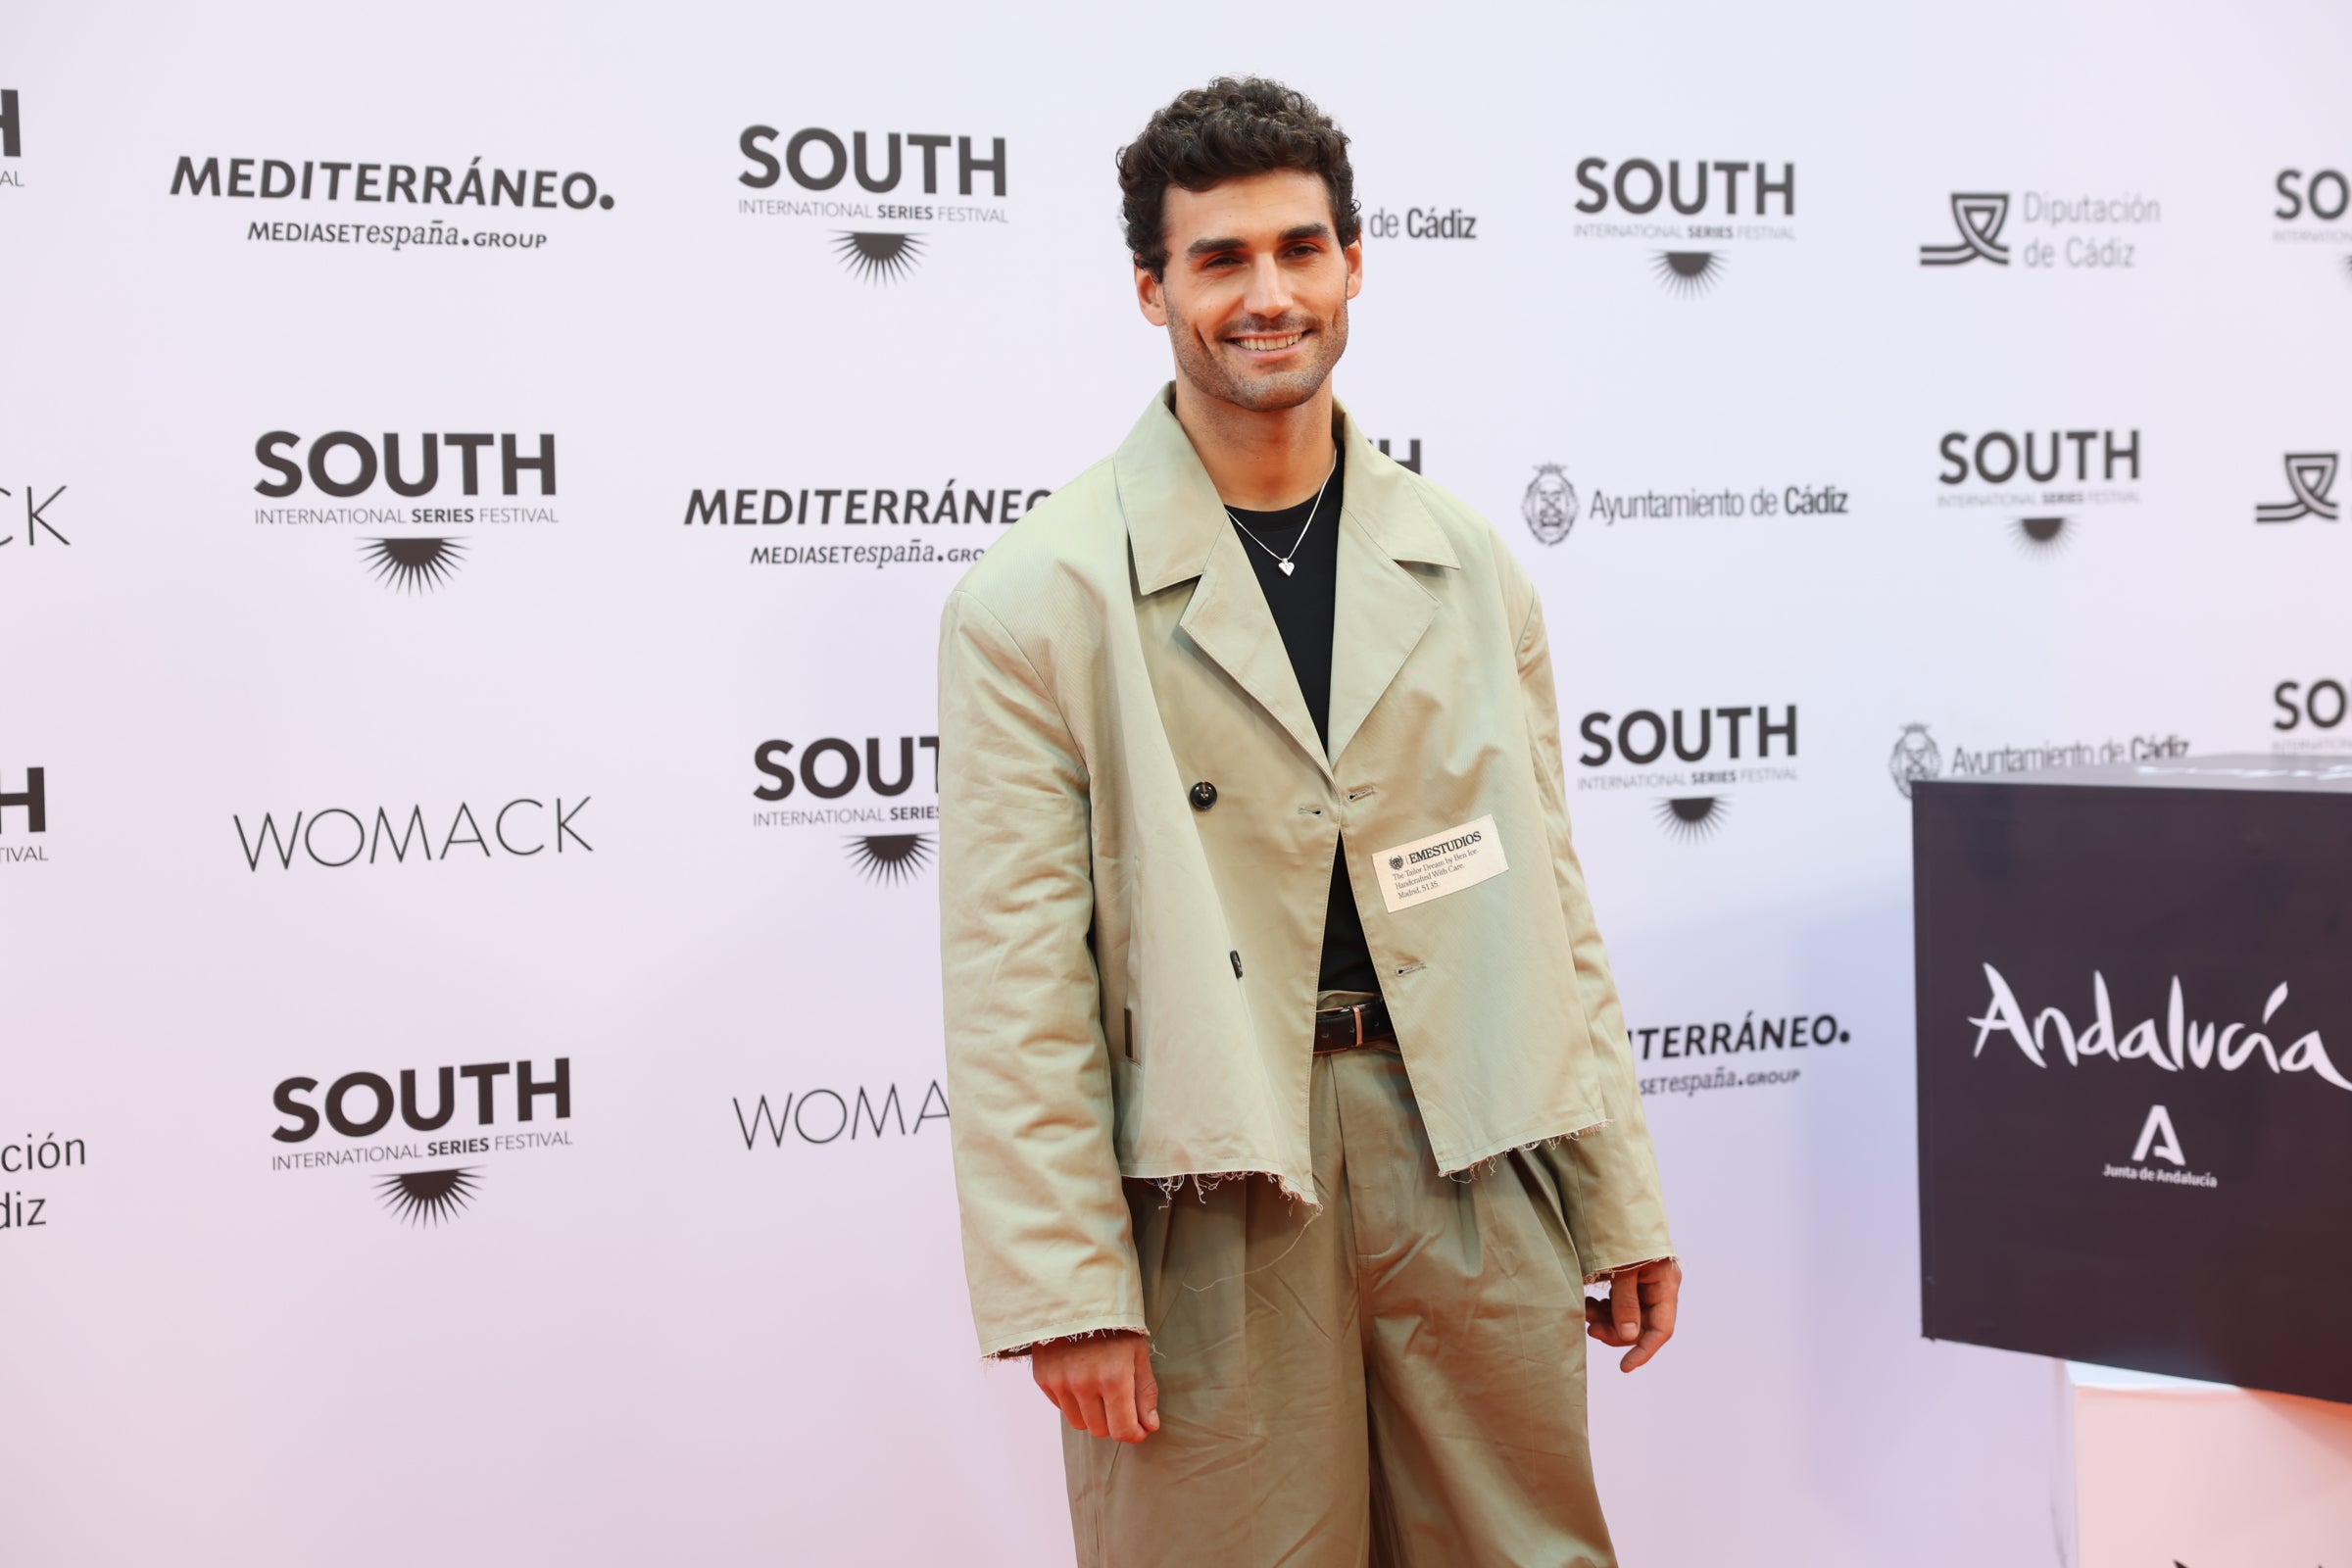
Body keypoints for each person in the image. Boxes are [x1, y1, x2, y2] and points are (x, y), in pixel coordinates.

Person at [936, 76, 1678, 1568]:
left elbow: (1552, 905)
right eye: (1220, 260)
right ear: (1152, 290)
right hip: (1216, 1180)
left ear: (1353, 264)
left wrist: (1617, 1194)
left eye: (1299, 249)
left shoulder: (1466, 565)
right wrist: (1070, 1287)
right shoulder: (1039, 597)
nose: (1267, 294)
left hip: (1471, 1144)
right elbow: (1017, 982)